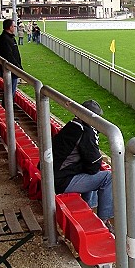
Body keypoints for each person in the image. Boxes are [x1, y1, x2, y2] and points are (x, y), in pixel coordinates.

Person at [51, 99, 114, 232]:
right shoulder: (85, 131)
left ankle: (88, 208)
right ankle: (103, 221)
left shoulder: (71, 125)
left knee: (90, 170)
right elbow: (94, 165)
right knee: (108, 177)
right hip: (60, 181)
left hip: (53, 175)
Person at [0, 18, 23, 97]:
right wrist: (18, 69)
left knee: (11, 92)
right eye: (14, 26)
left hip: (11, 69)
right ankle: (7, 108)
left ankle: (8, 108)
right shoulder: (5, 39)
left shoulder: (9, 38)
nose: (15, 28)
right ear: (10, 27)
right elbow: (9, 56)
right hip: (10, 70)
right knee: (10, 93)